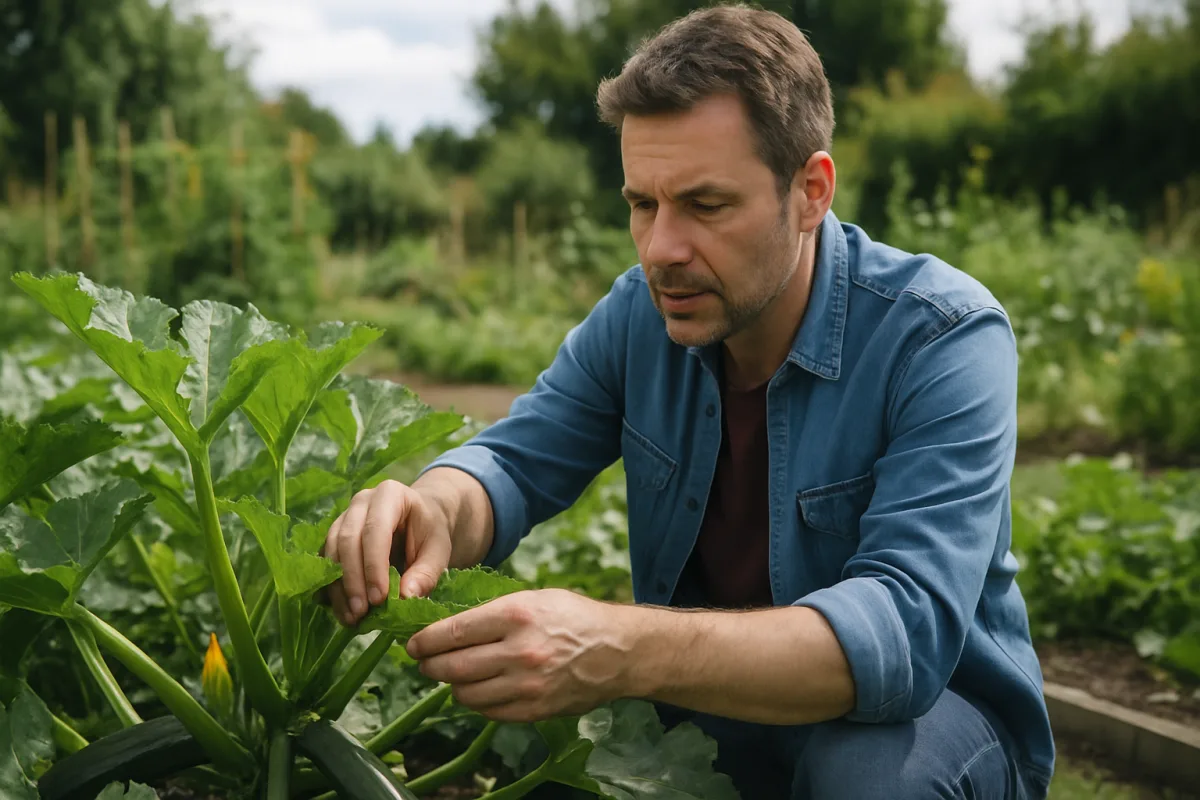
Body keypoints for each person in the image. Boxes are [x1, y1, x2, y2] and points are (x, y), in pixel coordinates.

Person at [322, 5, 1055, 798]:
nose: (661, 249)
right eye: (643, 204)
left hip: (932, 720)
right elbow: (512, 463)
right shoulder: (641, 313)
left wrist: (620, 644)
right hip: (714, 703)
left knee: (865, 776)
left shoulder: (943, 336)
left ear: (810, 191)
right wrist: (431, 506)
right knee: (564, 763)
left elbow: (903, 633)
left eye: (705, 206)